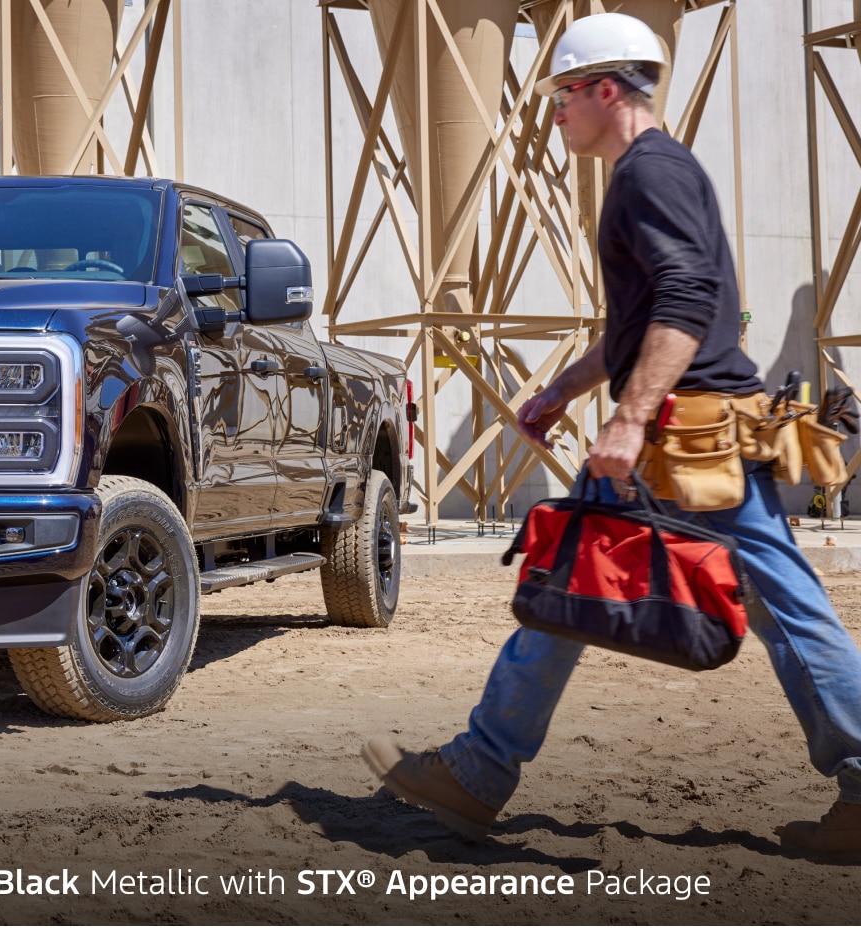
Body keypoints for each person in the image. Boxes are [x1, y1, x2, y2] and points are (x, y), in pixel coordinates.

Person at [362, 12, 861, 858]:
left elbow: (686, 302)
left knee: (777, 607)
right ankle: (480, 770)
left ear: (604, 90)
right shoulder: (653, 172)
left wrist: (628, 420)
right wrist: (564, 388)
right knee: (571, 585)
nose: (553, 114)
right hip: (691, 430)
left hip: (687, 438)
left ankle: (479, 771)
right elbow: (640, 319)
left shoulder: (648, 175)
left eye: (562, 95)